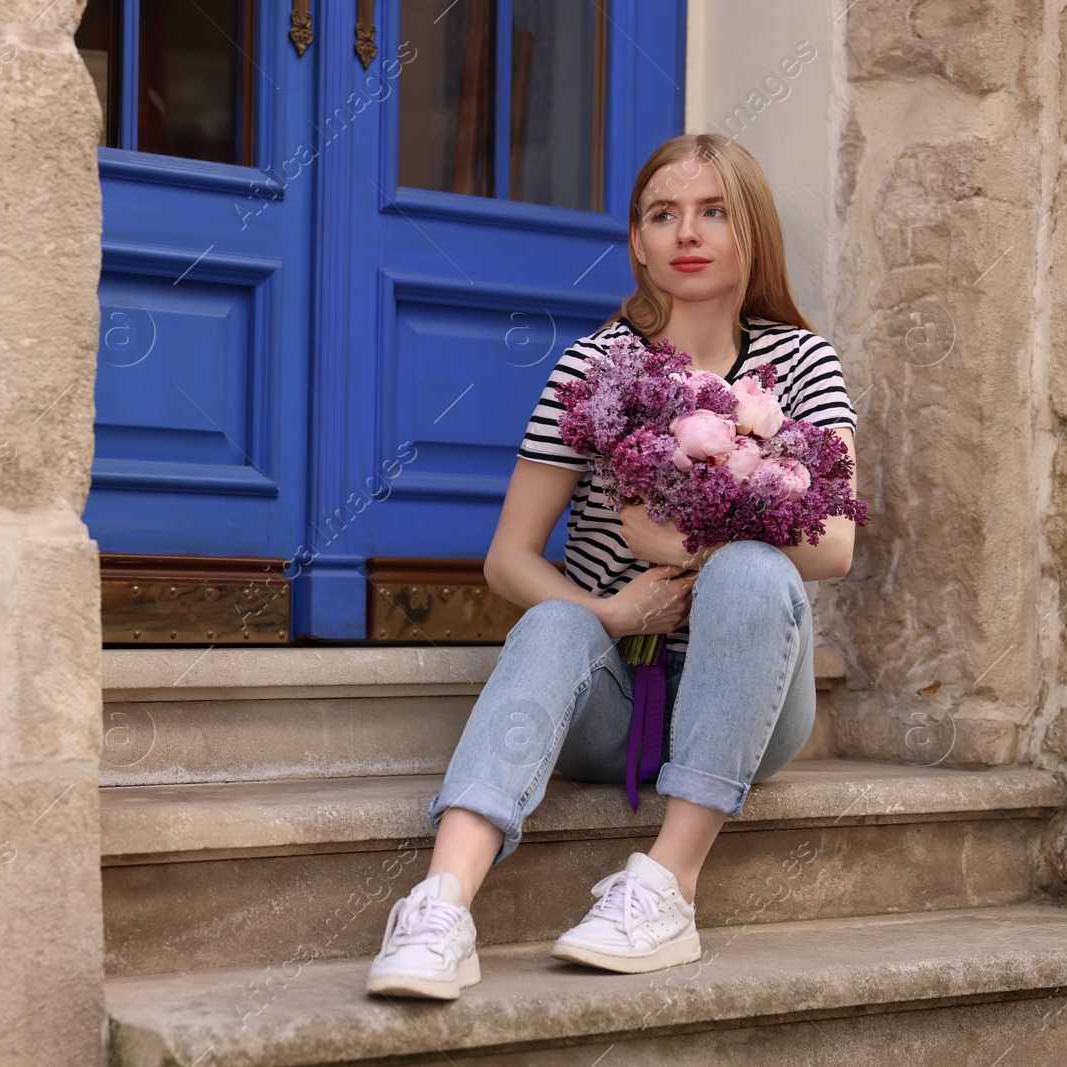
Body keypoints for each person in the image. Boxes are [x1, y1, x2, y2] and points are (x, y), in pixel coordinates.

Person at [365, 134, 859, 1000]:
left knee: (753, 568)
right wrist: (618, 613)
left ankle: (667, 887)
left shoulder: (799, 364)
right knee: (556, 616)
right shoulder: (594, 367)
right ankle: (440, 906)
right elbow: (509, 560)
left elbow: (833, 545)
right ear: (637, 240)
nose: (686, 232)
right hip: (614, 701)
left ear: (751, 231)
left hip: (751, 705)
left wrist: (683, 543)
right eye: (662, 214)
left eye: (712, 211)